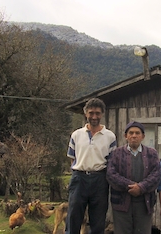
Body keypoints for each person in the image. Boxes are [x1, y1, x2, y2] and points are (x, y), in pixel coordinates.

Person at [65, 98, 117, 234]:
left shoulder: (110, 136)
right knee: (73, 217)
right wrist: (79, 173)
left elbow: (112, 162)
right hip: (79, 179)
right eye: (91, 113)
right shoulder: (76, 135)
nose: (94, 116)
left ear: (102, 114)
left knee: (98, 221)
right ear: (85, 113)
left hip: (100, 179)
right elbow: (72, 159)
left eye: (98, 113)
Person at [106, 121, 161, 234]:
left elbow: (156, 174)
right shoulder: (116, 153)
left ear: (143, 136)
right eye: (131, 133)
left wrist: (141, 187)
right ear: (126, 136)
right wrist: (129, 186)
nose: (134, 136)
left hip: (144, 203)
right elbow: (111, 174)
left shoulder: (152, 153)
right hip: (121, 203)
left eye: (137, 133)